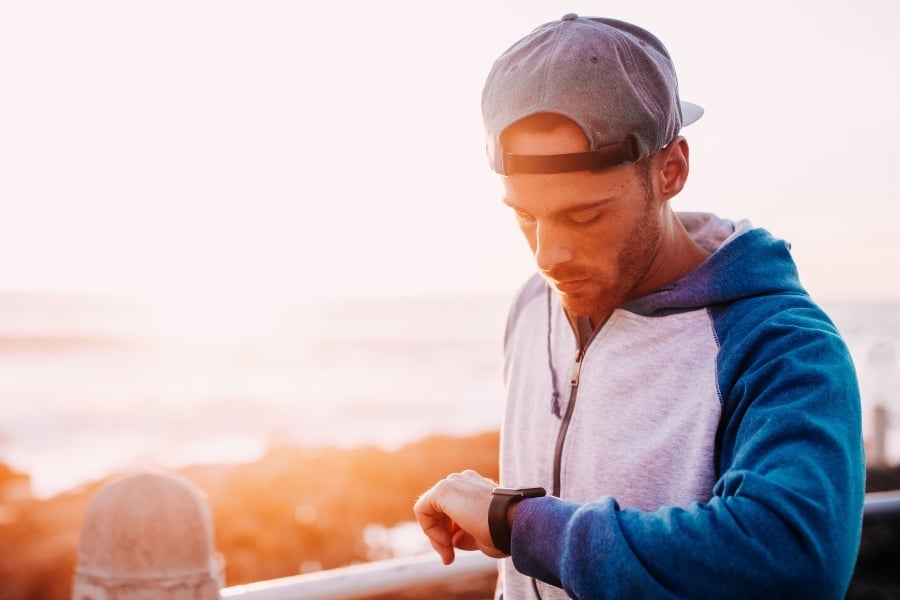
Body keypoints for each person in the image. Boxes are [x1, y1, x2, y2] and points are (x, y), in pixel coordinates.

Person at [413, 13, 865, 600]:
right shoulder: (533, 304)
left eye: (584, 215)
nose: (549, 255)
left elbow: (792, 560)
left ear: (671, 169)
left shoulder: (780, 346)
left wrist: (517, 522)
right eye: (526, 216)